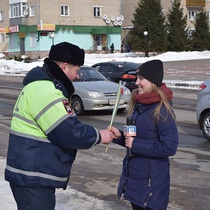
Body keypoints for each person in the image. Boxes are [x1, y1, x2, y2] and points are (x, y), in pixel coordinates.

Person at [5, 42, 116, 210]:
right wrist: (100, 136)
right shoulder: (46, 90)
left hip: (29, 173)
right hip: (34, 177)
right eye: (76, 71)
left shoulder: (37, 85)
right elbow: (69, 132)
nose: (78, 77)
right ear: (64, 67)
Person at [111, 59, 179, 210]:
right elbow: (135, 138)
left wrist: (135, 144)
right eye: (137, 78)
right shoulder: (140, 105)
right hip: (136, 179)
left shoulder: (162, 109)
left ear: (153, 81)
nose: (136, 82)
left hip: (151, 184)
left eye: (141, 79)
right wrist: (120, 137)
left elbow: (169, 147)